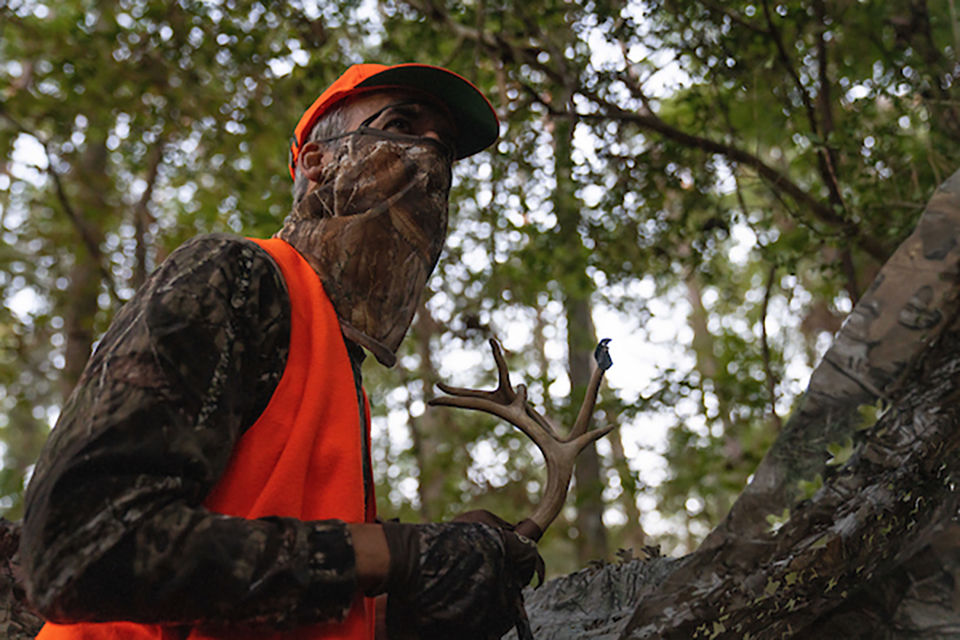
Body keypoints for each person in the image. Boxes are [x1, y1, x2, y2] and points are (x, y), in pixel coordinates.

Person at [20, 63, 540, 640]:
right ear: (317, 162)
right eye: (402, 124)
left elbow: (269, 596)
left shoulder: (338, 367)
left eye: (443, 148)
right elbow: (76, 549)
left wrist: (431, 582)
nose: (429, 156)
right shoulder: (237, 277)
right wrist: (392, 552)